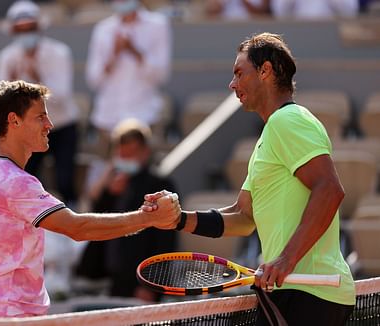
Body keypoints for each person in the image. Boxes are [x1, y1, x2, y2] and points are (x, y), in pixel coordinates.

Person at [144, 33, 355, 325]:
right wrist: (178, 219)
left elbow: (330, 190)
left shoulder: (288, 120)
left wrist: (285, 260)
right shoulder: (270, 133)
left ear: (265, 71)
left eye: (239, 73)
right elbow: (243, 217)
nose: (232, 84)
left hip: (307, 293)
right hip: (292, 291)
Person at [0, 80, 180, 317]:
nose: (50, 124)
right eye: (40, 117)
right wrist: (146, 218)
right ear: (14, 120)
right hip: (13, 318)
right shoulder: (16, 182)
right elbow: (78, 228)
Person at [76, 119, 177, 302]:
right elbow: (95, 218)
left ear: (145, 152)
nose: (126, 158)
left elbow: (165, 241)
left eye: (131, 153)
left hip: (140, 280)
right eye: (122, 154)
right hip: (109, 277)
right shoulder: (114, 184)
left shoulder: (159, 185)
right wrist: (108, 190)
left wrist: (151, 285)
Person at [0, 0, 79, 205]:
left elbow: (63, 96)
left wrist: (38, 81)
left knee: (64, 180)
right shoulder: (6, 58)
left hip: (62, 125)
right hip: (28, 130)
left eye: (30, 28)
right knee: (26, 180)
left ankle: (72, 228)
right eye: (20, 29)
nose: (26, 34)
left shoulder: (59, 52)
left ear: (38, 28)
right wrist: (11, 86)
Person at [85, 0, 171, 157]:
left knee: (145, 177)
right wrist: (115, 53)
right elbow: (93, 79)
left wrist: (134, 50)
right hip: (107, 118)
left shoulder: (158, 24)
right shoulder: (103, 29)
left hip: (145, 116)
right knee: (107, 175)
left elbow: (161, 75)